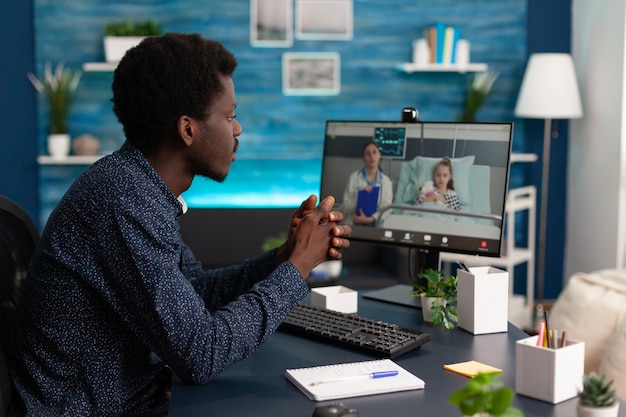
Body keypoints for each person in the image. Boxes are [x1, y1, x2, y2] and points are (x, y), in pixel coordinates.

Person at [9, 33, 352, 416]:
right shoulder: (123, 202)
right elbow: (200, 354)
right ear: (188, 130)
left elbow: (195, 293)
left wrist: (281, 258)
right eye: (230, 115)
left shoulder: (139, 189)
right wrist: (298, 266)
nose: (237, 130)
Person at [342, 141, 393, 226]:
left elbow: (387, 209)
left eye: (374, 152)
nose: (371, 156)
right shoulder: (354, 177)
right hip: (354, 221)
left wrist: (370, 219)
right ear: (364, 158)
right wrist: (361, 195)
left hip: (375, 224)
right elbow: (346, 204)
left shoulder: (386, 181)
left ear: (379, 155)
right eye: (368, 154)